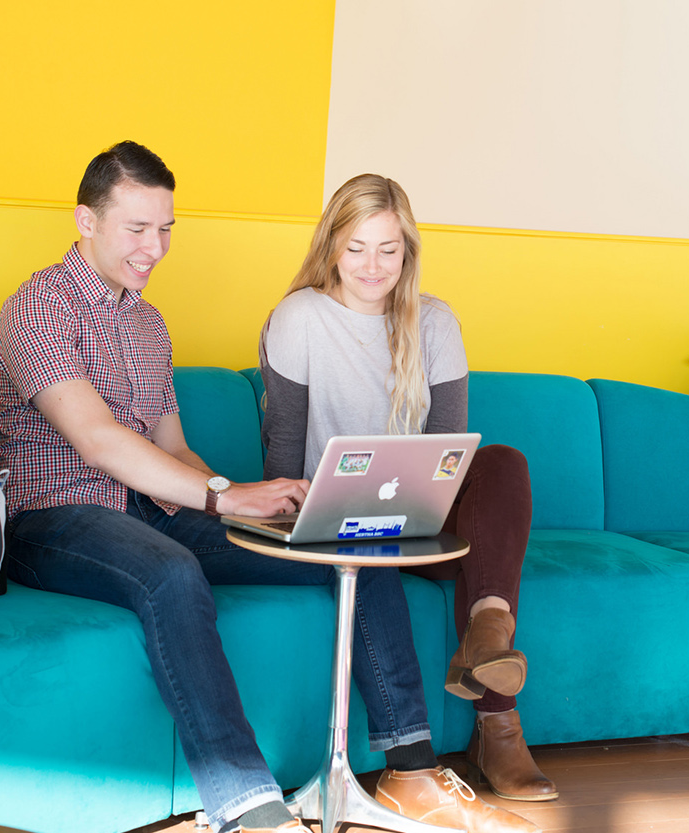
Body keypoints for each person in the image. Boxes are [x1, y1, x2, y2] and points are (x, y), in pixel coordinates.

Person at [0, 143, 537, 833]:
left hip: (158, 508)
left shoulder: (146, 323)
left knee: (352, 543)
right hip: (57, 517)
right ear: (86, 221)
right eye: (137, 228)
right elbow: (98, 440)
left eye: (165, 229)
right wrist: (224, 499)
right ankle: (246, 803)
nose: (154, 247)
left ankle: (413, 767)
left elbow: (172, 448)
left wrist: (242, 490)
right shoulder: (36, 307)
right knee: (171, 573)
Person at [258, 173, 558, 802]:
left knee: (502, 461)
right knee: (367, 538)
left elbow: (448, 455)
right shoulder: (299, 318)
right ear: (332, 245)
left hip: (425, 527)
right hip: (342, 525)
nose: (372, 266)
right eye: (357, 247)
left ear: (408, 252)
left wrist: (411, 500)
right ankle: (495, 726)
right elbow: (280, 462)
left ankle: (488, 637)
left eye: (388, 249)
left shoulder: (435, 323)